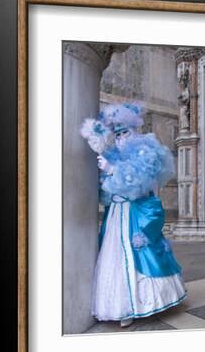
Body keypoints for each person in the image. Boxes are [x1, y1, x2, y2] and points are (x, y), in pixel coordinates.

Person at [80, 102, 187, 328]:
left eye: (125, 132)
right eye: (117, 134)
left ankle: (140, 305)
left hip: (134, 214)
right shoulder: (112, 154)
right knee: (113, 258)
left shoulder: (145, 151)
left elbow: (141, 183)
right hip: (115, 215)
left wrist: (113, 170)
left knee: (139, 254)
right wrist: (104, 174)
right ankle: (118, 306)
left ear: (134, 130)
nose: (121, 138)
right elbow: (105, 191)